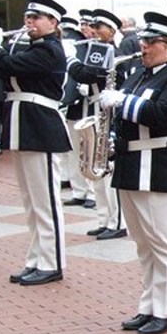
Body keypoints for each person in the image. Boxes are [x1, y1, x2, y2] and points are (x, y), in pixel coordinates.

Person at [99, 11, 167, 334]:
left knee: (164, 244)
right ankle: (148, 306)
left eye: (151, 41)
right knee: (143, 244)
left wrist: (123, 102)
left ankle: (165, 312)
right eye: (143, 40)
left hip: (161, 167)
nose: (143, 46)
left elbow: (166, 114)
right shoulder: (137, 76)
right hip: (131, 166)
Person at [0, 0, 71, 285]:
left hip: (41, 126)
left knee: (45, 201)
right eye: (27, 18)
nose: (29, 22)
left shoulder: (50, 49)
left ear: (53, 22)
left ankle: (52, 262)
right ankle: (36, 258)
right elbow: (3, 68)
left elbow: (8, 65)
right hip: (24, 124)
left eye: (36, 18)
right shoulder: (33, 47)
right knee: (31, 201)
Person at [64, 8, 129, 240]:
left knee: (107, 169)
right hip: (92, 109)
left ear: (111, 30)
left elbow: (87, 74)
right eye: (92, 26)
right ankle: (105, 219)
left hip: (106, 112)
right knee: (96, 170)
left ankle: (117, 221)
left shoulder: (111, 52)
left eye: (98, 27)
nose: (93, 31)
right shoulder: (95, 49)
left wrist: (71, 60)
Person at [57, 15, 95, 208]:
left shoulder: (97, 48)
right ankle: (78, 190)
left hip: (92, 105)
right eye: (84, 24)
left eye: (90, 25)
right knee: (74, 150)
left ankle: (92, 192)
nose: (86, 28)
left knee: (91, 150)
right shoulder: (76, 45)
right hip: (75, 105)